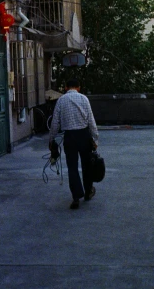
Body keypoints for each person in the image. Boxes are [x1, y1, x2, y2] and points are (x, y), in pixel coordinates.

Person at [48, 77, 99, 209]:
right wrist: (95, 138)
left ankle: (76, 196)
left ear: (65, 88)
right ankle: (88, 192)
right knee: (87, 165)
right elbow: (91, 121)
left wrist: (51, 139)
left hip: (69, 137)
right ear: (79, 87)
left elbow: (55, 123)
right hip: (84, 135)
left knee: (72, 167)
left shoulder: (61, 100)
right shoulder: (84, 99)